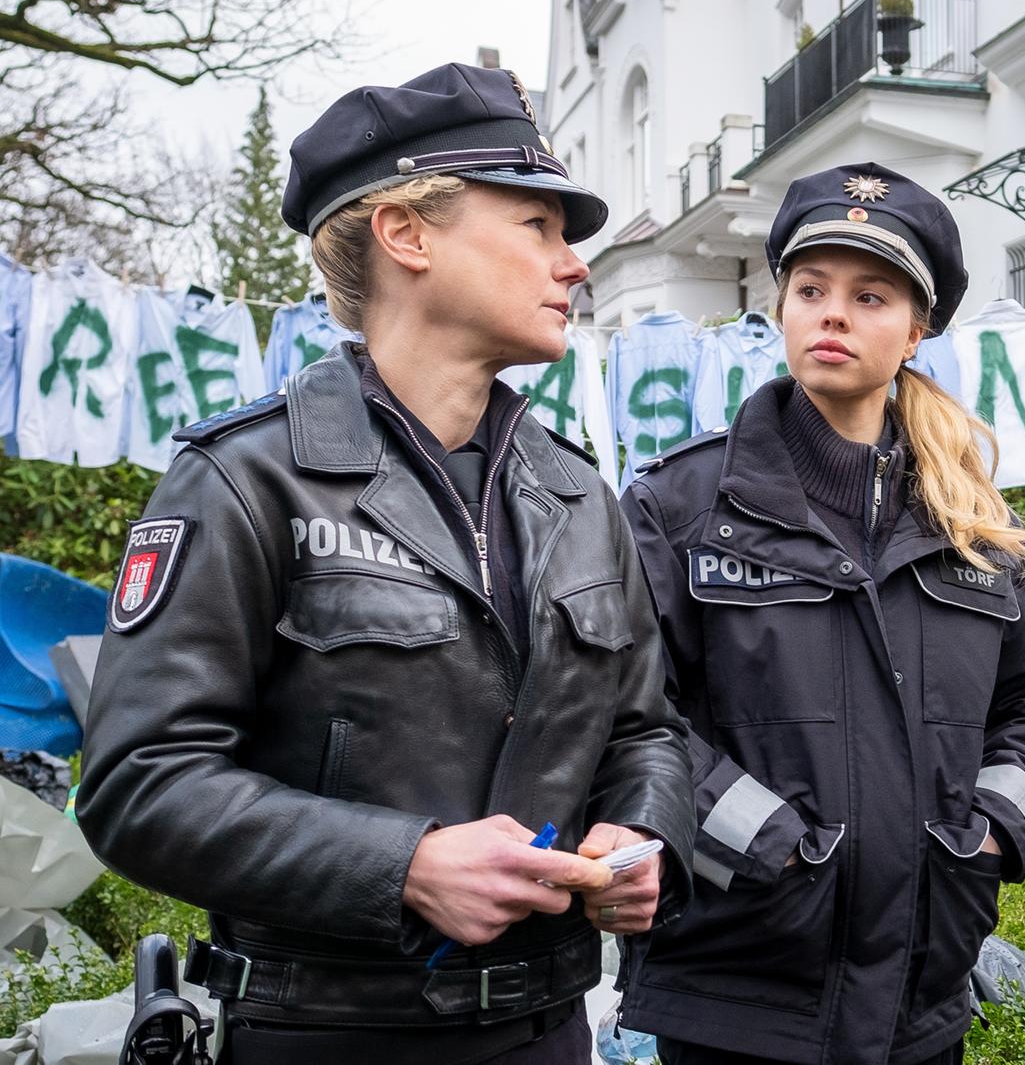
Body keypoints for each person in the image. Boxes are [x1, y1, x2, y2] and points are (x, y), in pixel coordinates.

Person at [75, 63, 695, 1065]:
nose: (576, 264)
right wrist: (403, 864)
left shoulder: (581, 496)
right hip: (325, 1036)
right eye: (537, 225)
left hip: (547, 1034)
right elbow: (140, 783)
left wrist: (639, 831)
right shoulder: (247, 479)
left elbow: (644, 730)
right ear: (407, 234)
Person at [617, 162, 1025, 1065]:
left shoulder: (974, 525)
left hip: (922, 1005)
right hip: (738, 998)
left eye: (869, 296)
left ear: (916, 331)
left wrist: (989, 834)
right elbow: (631, 716)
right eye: (811, 290)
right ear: (782, 310)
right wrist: (765, 847)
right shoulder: (678, 509)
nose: (832, 314)